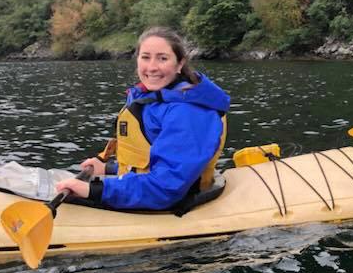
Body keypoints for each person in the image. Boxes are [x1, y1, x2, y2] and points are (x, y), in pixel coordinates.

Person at [55, 27, 231, 211]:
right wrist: (109, 169)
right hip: (150, 193)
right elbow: (152, 162)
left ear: (180, 64)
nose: (152, 67)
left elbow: (166, 186)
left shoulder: (190, 112)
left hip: (174, 203)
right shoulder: (155, 98)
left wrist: (94, 190)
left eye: (163, 58)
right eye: (145, 57)